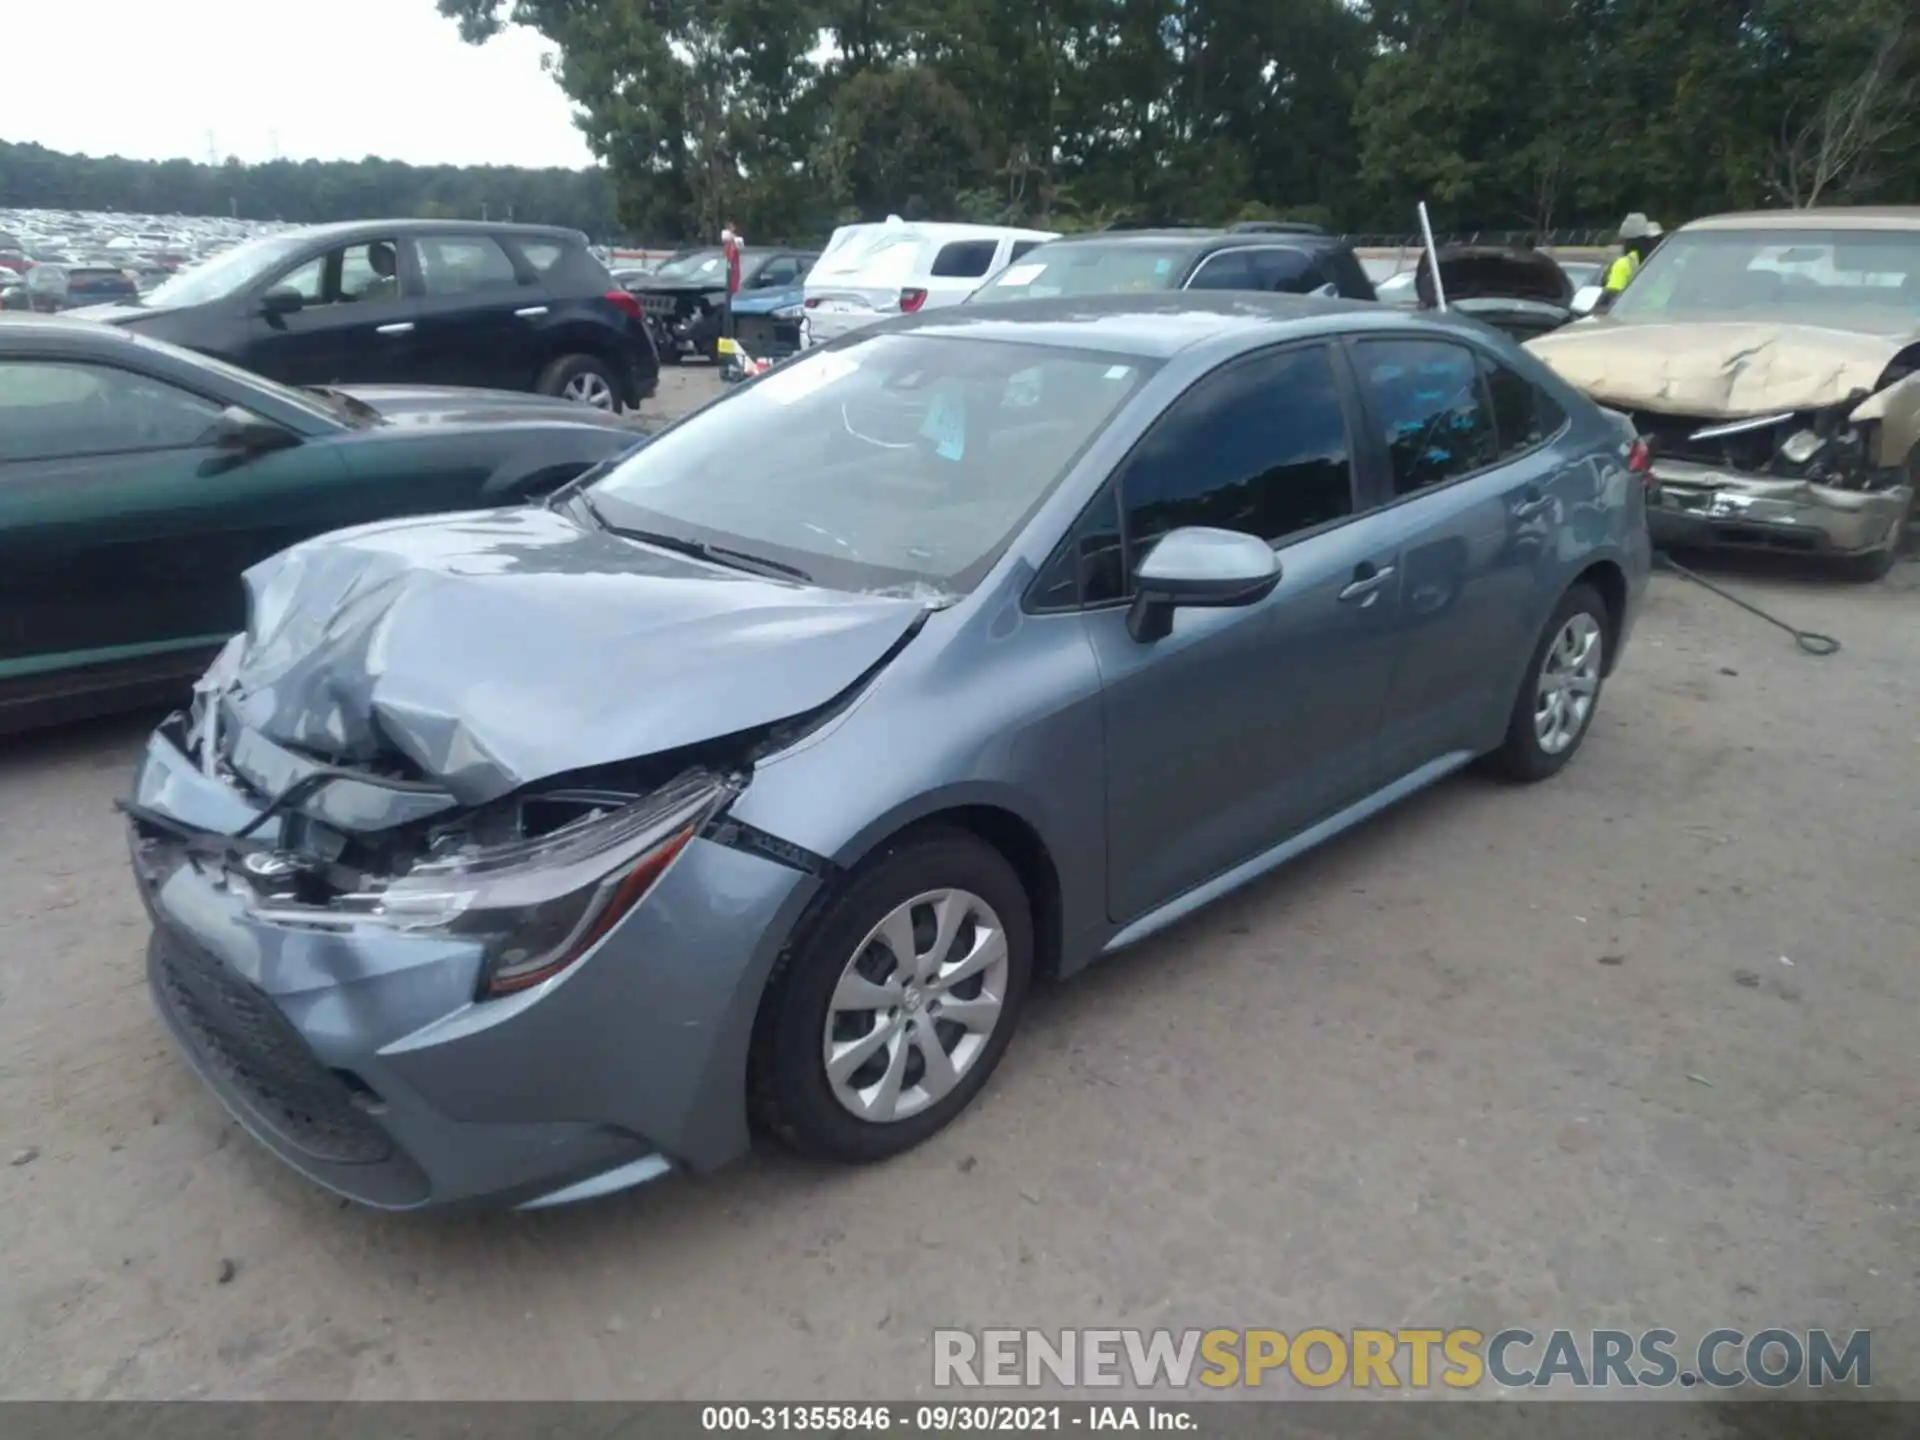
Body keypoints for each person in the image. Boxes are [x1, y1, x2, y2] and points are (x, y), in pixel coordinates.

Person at [1604, 213, 1663, 293]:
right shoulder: (1625, 264)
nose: (1656, 243)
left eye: (1659, 239)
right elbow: (1612, 293)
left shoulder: (1665, 263)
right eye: (1652, 240)